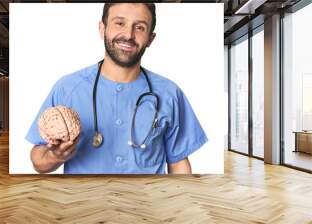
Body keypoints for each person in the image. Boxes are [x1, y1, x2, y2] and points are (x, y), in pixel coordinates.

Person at [25, 3, 208, 174]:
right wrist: (54, 156)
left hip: (147, 205)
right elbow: (38, 159)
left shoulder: (169, 93)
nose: (128, 35)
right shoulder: (67, 88)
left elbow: (178, 162)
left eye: (140, 27)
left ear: (151, 38)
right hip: (84, 205)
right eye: (119, 23)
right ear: (102, 29)